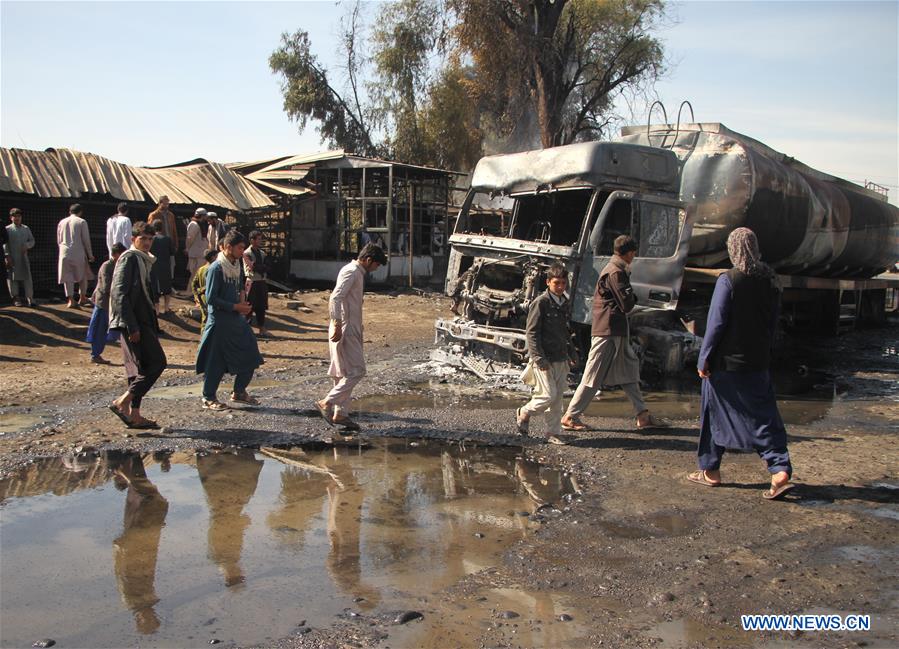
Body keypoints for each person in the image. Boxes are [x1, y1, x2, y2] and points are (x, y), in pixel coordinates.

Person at [689, 227, 794, 500]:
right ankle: (779, 469)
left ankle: (710, 470)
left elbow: (716, 324)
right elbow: (772, 325)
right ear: (755, 248)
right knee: (764, 418)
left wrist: (704, 358)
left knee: (712, 411)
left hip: (726, 365)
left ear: (732, 250)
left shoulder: (729, 280)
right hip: (757, 363)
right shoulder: (771, 281)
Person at [560, 235, 667, 432]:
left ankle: (643, 415)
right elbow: (627, 304)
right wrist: (633, 296)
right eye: (633, 253)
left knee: (629, 372)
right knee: (593, 375)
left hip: (616, 330)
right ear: (629, 253)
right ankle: (570, 416)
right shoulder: (616, 272)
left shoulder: (616, 269)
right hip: (607, 331)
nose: (634, 257)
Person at [314, 242, 388, 430]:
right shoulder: (352, 271)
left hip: (349, 326)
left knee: (343, 372)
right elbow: (335, 297)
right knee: (357, 371)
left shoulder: (356, 272)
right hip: (346, 328)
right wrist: (337, 323)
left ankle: (341, 414)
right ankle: (327, 402)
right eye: (376, 265)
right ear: (368, 260)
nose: (376, 269)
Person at [195, 229, 263, 410]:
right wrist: (236, 307)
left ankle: (239, 392)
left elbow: (240, 285)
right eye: (239, 248)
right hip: (219, 321)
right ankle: (208, 397)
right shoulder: (216, 268)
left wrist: (242, 302)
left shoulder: (236, 264)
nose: (242, 251)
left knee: (251, 354)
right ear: (227, 247)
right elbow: (211, 298)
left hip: (236, 320)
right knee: (215, 361)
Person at [108, 222, 167, 430]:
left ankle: (134, 414)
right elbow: (119, 294)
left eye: (150, 239)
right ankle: (122, 402)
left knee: (139, 368)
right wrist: (132, 326)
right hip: (133, 322)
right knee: (157, 362)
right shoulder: (129, 258)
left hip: (142, 320)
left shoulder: (144, 260)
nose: (147, 243)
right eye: (143, 239)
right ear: (133, 239)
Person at [515, 263, 576, 444]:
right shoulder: (541, 302)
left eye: (563, 283)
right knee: (548, 396)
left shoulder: (564, 302)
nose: (560, 287)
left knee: (557, 399)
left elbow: (565, 331)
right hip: (545, 358)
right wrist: (539, 358)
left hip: (560, 357)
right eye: (557, 283)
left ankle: (553, 433)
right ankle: (524, 412)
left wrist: (572, 353)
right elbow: (532, 332)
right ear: (548, 282)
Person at [87, 242, 125, 364]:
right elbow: (106, 286)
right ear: (115, 254)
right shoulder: (107, 266)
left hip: (110, 303)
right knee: (99, 328)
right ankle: (95, 354)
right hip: (103, 303)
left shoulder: (117, 265)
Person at [57, 203, 95, 308]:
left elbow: (59, 240)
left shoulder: (62, 222)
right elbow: (86, 240)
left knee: (67, 276)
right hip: (78, 252)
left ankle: (71, 300)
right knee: (83, 275)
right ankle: (82, 297)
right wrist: (90, 255)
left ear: (70, 212)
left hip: (64, 252)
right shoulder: (81, 222)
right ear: (80, 212)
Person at [5, 208, 36, 307]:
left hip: (23, 257)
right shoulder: (7, 229)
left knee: (27, 278)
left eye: (19, 216)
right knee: (12, 278)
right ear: (11, 218)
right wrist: (7, 256)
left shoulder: (26, 228)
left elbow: (32, 241)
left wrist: (27, 245)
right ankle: (15, 298)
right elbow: (4, 243)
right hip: (12, 257)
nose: (17, 218)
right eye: (14, 216)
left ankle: (30, 298)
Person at [148, 195, 178, 288]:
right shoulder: (153, 215)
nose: (167, 205)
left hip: (169, 243)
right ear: (160, 203)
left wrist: (175, 244)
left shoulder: (171, 215)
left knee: (170, 266)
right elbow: (149, 230)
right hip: (158, 243)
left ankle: (169, 286)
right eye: (165, 203)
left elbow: (174, 230)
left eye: (168, 203)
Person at [243, 230, 269, 337]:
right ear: (252, 240)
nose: (260, 241)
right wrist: (260, 267)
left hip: (261, 281)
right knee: (249, 306)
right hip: (252, 282)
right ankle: (247, 329)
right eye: (258, 239)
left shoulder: (262, 253)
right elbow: (252, 267)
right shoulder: (246, 253)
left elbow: (268, 266)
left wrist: (260, 267)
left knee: (261, 306)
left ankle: (261, 327)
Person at [149, 221, 174, 315]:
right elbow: (172, 252)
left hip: (153, 266)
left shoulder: (151, 239)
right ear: (162, 228)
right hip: (165, 266)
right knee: (167, 287)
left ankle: (157, 310)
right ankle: (166, 308)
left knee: (155, 287)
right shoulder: (167, 239)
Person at [191, 249, 218, 330]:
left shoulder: (201, 269)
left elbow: (193, 284)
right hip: (212, 298)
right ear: (213, 257)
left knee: (205, 319)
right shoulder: (214, 270)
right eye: (216, 256)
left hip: (202, 298)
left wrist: (196, 296)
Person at [185, 207, 208, 292]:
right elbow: (190, 238)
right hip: (195, 254)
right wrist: (187, 249)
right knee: (194, 274)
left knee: (199, 274)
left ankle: (193, 292)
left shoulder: (201, 224)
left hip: (200, 254)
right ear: (202, 216)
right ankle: (190, 292)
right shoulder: (194, 224)